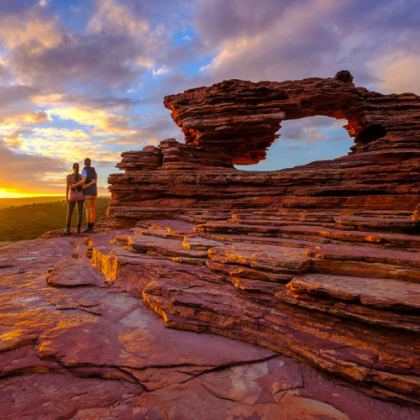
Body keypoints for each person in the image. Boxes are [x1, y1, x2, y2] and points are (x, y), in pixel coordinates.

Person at [74, 157, 98, 233]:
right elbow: (95, 180)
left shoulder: (84, 170)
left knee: (88, 210)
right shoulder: (93, 170)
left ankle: (88, 228)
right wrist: (91, 183)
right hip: (94, 192)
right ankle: (92, 227)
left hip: (88, 193)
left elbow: (83, 181)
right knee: (93, 210)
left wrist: (74, 185)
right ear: (90, 163)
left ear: (84, 163)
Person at [65, 163, 84, 235]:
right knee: (80, 213)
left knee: (69, 213)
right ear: (79, 168)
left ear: (72, 168)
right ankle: (78, 229)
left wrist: (66, 197)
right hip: (80, 196)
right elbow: (83, 186)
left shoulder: (69, 176)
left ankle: (68, 229)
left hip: (72, 196)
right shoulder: (81, 177)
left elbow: (67, 187)